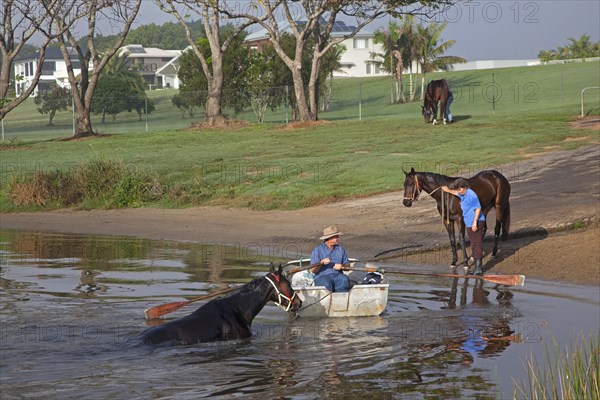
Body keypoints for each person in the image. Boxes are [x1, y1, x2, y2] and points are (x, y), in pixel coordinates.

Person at [442, 178, 485, 275]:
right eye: (458, 190)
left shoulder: (471, 195)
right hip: (469, 223)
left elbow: (478, 208)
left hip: (476, 222)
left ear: (465, 187)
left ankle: (479, 268)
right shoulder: (462, 194)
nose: (459, 191)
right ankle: (477, 268)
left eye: (460, 189)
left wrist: (475, 222)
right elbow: (456, 193)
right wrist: (447, 190)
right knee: (474, 244)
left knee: (477, 244)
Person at [309, 225, 350, 292]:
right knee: (326, 283)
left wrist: (342, 266)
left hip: (338, 276)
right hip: (322, 276)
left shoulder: (341, 249)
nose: (338, 238)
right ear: (329, 238)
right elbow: (313, 270)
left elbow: (348, 266)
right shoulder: (317, 250)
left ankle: (341, 299)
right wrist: (321, 263)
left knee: (344, 279)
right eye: (336, 237)